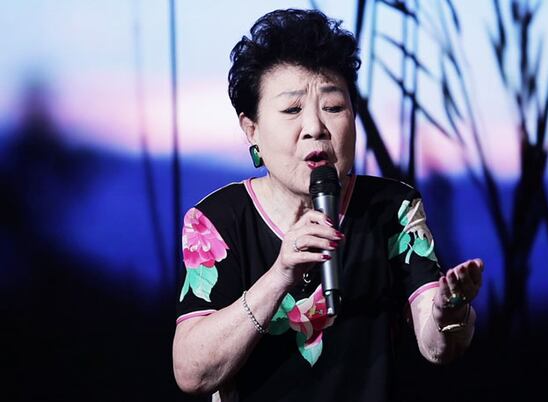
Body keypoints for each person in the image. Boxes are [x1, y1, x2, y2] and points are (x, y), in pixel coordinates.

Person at [172, 8, 484, 402]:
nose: (315, 128)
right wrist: (280, 275)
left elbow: (438, 345)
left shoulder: (392, 209)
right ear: (252, 130)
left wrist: (449, 312)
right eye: (292, 110)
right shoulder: (216, 221)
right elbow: (192, 373)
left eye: (333, 107)